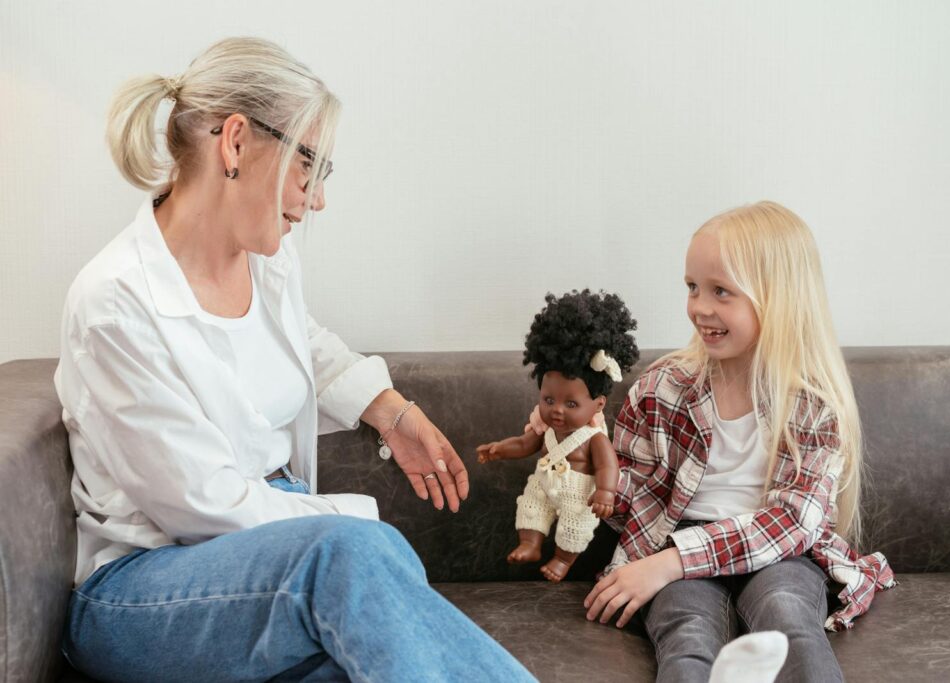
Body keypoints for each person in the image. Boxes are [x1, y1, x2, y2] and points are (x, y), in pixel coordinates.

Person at [54, 37, 535, 682]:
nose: (316, 199)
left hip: (266, 571)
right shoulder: (115, 305)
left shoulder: (268, 259)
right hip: (142, 589)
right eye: (310, 167)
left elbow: (303, 341)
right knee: (353, 558)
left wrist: (392, 411)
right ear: (236, 143)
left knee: (357, 663)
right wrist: (351, 523)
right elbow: (203, 505)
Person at [575, 202, 896, 681]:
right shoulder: (662, 386)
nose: (700, 307)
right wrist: (588, 464)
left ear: (778, 298)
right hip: (674, 543)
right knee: (687, 636)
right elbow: (631, 501)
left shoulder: (812, 404)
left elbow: (793, 521)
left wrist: (672, 562)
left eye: (721, 291)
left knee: (789, 619)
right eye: (692, 287)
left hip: (779, 553)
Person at [476, 289, 639, 582]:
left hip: (579, 496)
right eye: (549, 400)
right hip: (544, 482)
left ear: (598, 404)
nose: (557, 411)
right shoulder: (545, 426)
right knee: (530, 505)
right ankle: (531, 543)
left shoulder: (593, 436)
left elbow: (607, 465)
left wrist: (605, 492)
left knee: (574, 529)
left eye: (571, 404)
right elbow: (525, 443)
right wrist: (500, 449)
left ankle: (563, 561)